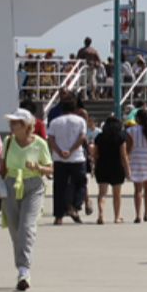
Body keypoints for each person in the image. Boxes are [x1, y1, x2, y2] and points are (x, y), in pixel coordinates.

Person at [0, 108, 54, 290]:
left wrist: (38, 167)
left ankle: (24, 270)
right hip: (11, 184)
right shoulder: (8, 141)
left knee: (27, 228)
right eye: (11, 122)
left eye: (15, 122)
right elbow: (2, 168)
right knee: (15, 230)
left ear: (25, 125)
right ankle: (21, 265)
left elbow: (50, 168)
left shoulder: (39, 143)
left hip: (33, 185)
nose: (11, 125)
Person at [47, 92, 88, 225]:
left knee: (59, 187)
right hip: (77, 157)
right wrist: (71, 150)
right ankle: (74, 206)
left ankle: (58, 216)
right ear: (74, 109)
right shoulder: (80, 121)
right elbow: (82, 137)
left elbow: (50, 139)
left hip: (59, 159)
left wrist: (60, 151)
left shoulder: (55, 122)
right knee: (80, 184)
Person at [91, 115, 130, 224]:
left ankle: (101, 213)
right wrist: (128, 169)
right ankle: (116, 217)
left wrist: (95, 165)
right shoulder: (120, 138)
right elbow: (124, 155)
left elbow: (95, 154)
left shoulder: (99, 137)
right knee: (117, 194)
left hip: (102, 165)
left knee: (102, 193)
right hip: (116, 166)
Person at [126, 108, 147, 224]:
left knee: (137, 189)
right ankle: (146, 213)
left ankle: (138, 215)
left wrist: (127, 161)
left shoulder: (131, 130)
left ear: (138, 118)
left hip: (136, 158)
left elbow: (128, 147)